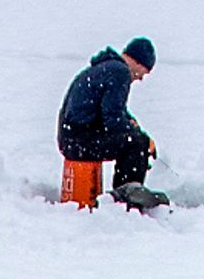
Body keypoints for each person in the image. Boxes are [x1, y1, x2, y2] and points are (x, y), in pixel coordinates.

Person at [59, 39, 163, 208]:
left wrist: (130, 122)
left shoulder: (105, 68)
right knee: (137, 143)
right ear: (137, 61)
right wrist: (141, 137)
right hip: (80, 142)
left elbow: (111, 111)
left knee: (133, 137)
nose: (141, 78)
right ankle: (128, 196)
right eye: (144, 71)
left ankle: (128, 191)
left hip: (71, 139)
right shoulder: (120, 71)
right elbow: (112, 119)